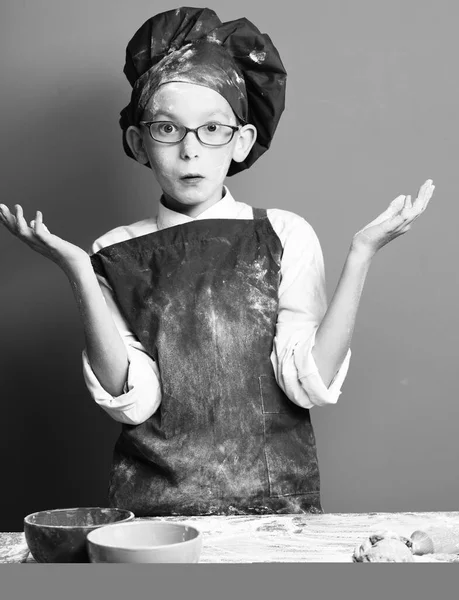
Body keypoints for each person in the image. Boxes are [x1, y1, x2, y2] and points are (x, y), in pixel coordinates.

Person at [0, 7, 434, 516]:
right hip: (152, 512)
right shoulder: (111, 251)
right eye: (167, 128)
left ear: (241, 140)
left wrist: (361, 255)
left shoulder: (283, 234)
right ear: (139, 142)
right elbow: (134, 400)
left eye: (212, 129)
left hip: (275, 514)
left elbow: (308, 381)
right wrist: (78, 272)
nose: (190, 151)